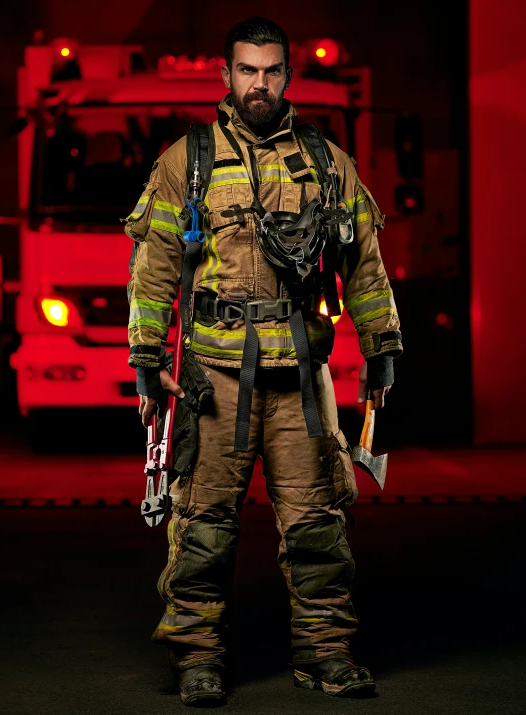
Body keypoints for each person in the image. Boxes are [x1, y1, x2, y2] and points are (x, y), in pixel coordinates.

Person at [125, 16, 402, 706]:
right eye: (247, 70)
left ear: (288, 75)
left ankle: (328, 652)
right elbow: (153, 266)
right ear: (226, 76)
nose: (260, 83)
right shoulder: (185, 161)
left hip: (303, 381)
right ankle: (197, 657)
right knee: (202, 529)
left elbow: (363, 264)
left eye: (272, 70)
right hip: (212, 382)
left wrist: (381, 347)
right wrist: (145, 354)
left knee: (319, 527)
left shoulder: (327, 162)